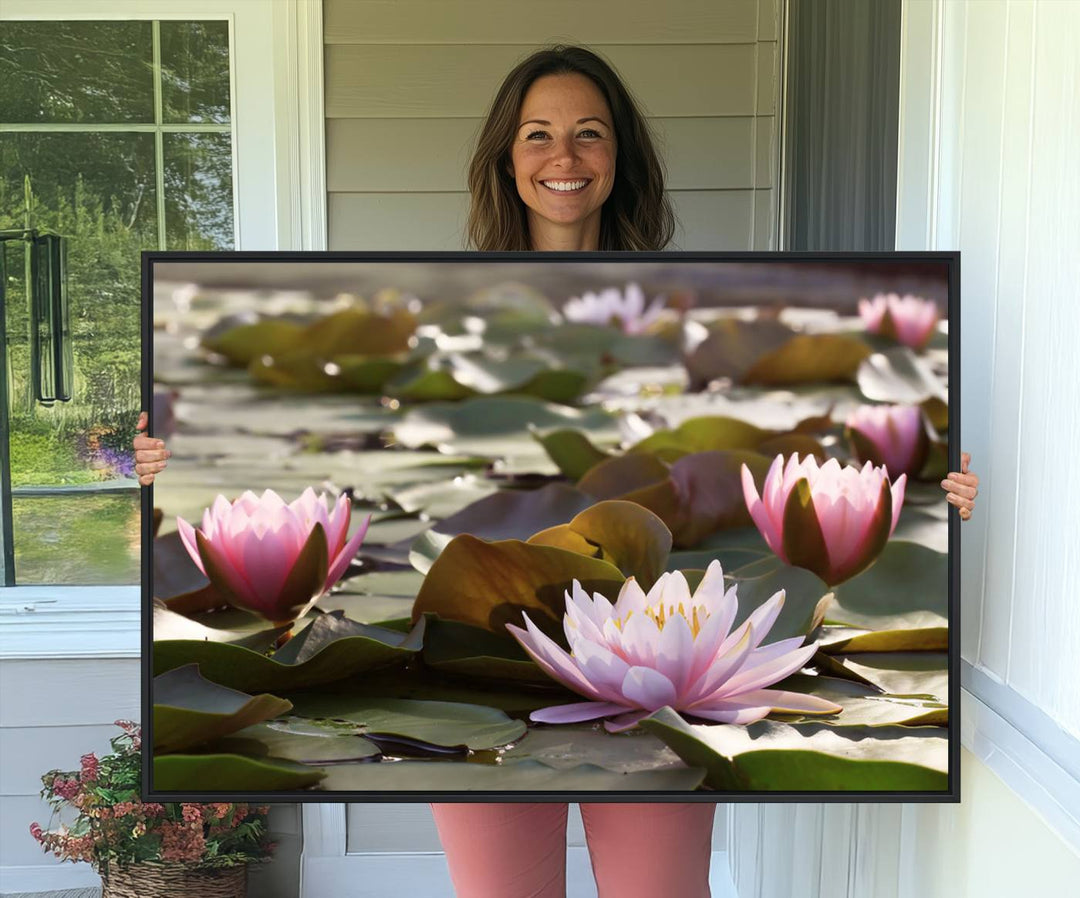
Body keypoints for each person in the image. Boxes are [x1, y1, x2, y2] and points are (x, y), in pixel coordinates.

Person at [135, 45, 979, 898]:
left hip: (663, 652)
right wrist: (165, 468)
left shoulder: (693, 326)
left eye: (589, 134)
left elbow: (771, 460)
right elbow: (350, 469)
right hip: (481, 647)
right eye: (538, 135)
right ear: (507, 158)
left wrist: (939, 499)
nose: (563, 157)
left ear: (620, 159)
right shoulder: (436, 322)